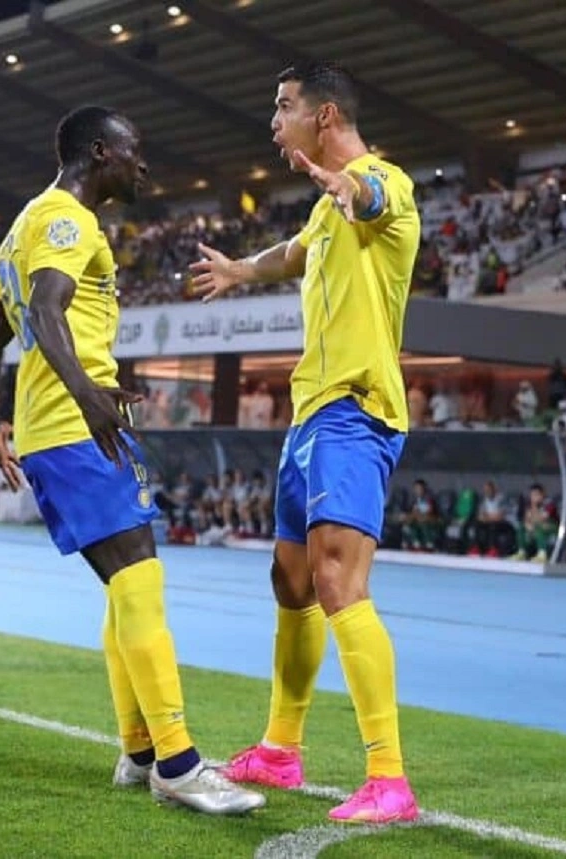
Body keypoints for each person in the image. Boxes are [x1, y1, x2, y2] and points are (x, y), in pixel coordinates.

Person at [0, 104, 264, 816]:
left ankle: (138, 747)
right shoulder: (69, 221)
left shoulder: (23, 226)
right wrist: (89, 397)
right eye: (136, 152)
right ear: (101, 152)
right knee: (141, 585)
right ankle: (179, 764)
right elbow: (45, 310)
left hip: (59, 428)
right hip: (76, 428)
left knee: (127, 588)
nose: (144, 165)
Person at [189, 61, 420, 823]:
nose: (272, 118)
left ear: (324, 116)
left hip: (356, 410)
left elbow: (372, 198)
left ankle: (389, 777)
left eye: (283, 105)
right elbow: (290, 253)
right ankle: (280, 749)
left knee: (335, 582)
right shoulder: (322, 216)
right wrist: (237, 270)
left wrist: (349, 185)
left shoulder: (385, 183)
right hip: (310, 415)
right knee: (290, 583)